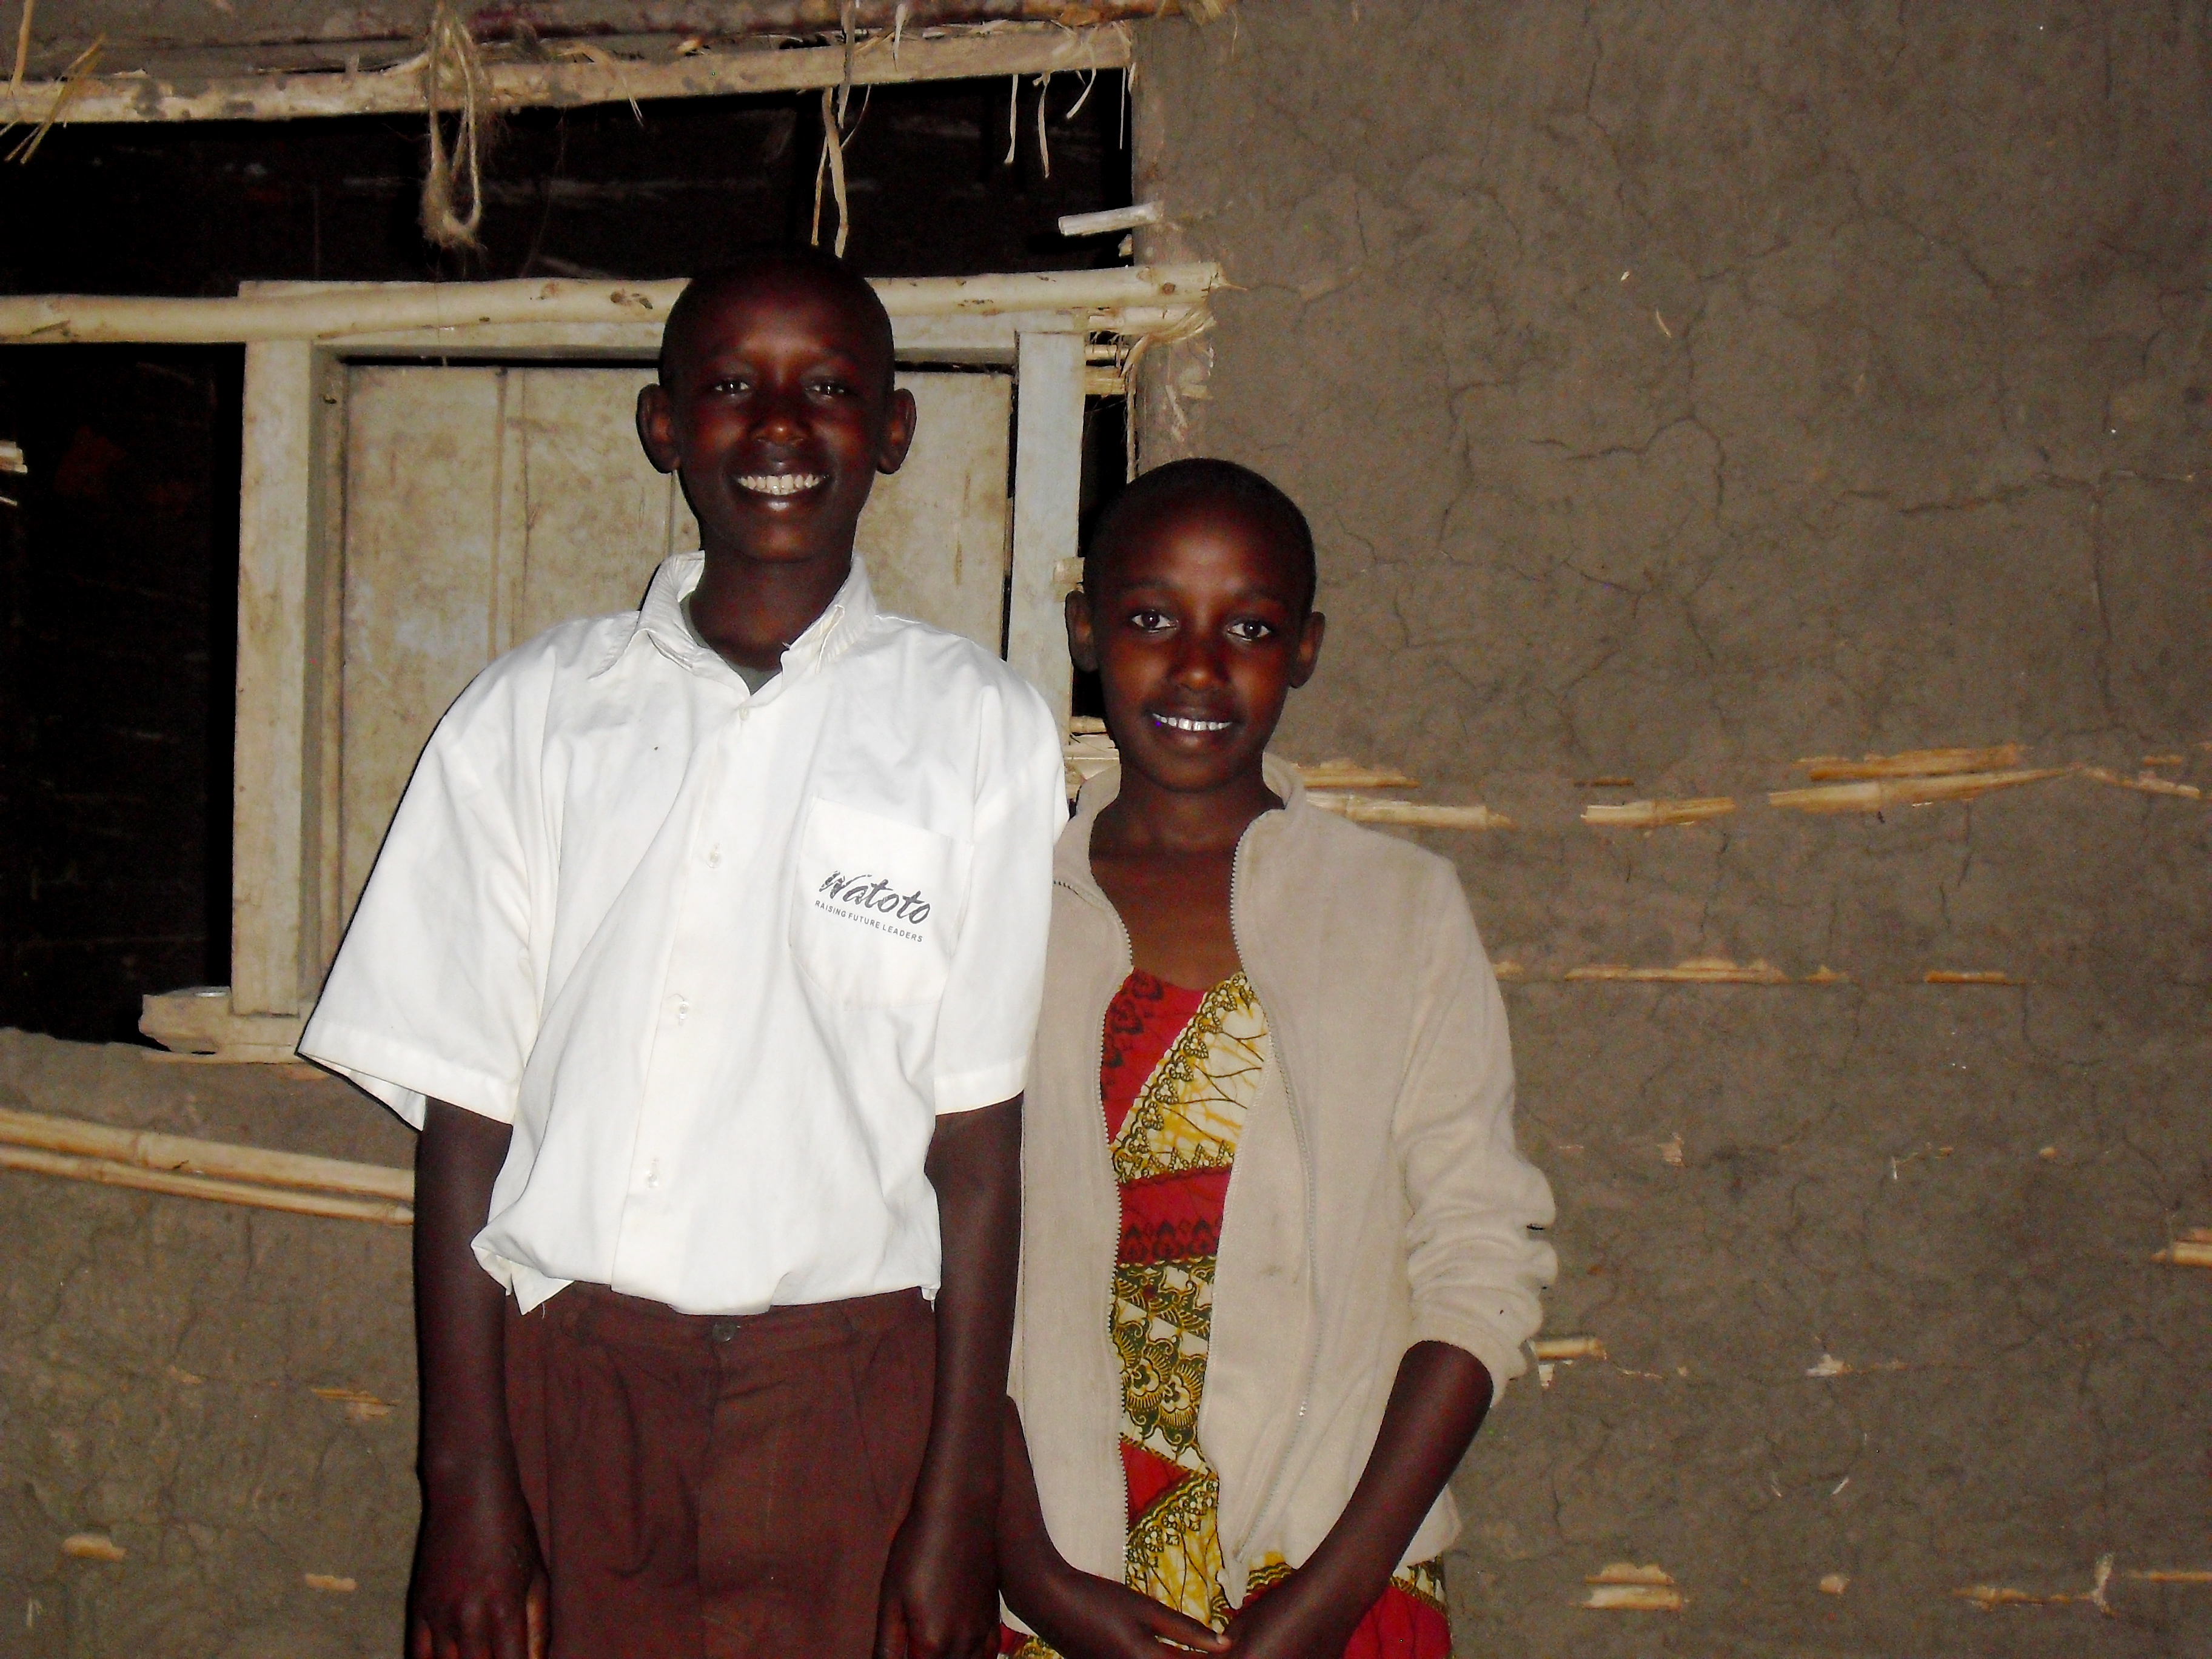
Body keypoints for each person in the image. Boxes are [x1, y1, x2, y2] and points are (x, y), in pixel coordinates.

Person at [300, 248, 1065, 1659]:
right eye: (729, 386)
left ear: (893, 429)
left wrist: (956, 1500)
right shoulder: (534, 715)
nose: (779, 427)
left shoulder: (978, 730)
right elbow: (465, 1125)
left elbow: (978, 1150)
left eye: (828, 388)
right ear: (663, 425)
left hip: (853, 1398)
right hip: (576, 1387)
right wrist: (465, 1487)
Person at [996, 458, 1556, 1659]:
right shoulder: (1001, 911)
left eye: (1247, 628)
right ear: (1086, 629)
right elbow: (934, 1266)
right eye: (1152, 619)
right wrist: (1030, 1570)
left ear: (1304, 648)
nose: (1198, 668)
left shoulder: (1399, 910)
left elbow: (1478, 1261)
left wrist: (1335, 1584)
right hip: (1060, 1580)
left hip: (1332, 1575)